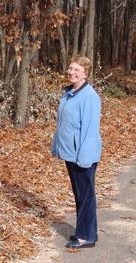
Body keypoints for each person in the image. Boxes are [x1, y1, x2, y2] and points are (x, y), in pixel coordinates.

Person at [51, 55, 102, 249]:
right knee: (81, 195)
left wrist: (85, 158)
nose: (71, 73)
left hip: (82, 156)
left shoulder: (89, 96)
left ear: (85, 74)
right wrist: (56, 146)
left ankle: (86, 237)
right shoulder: (69, 93)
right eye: (70, 69)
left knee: (86, 196)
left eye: (77, 70)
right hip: (70, 153)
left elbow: (90, 130)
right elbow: (62, 125)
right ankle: (88, 231)